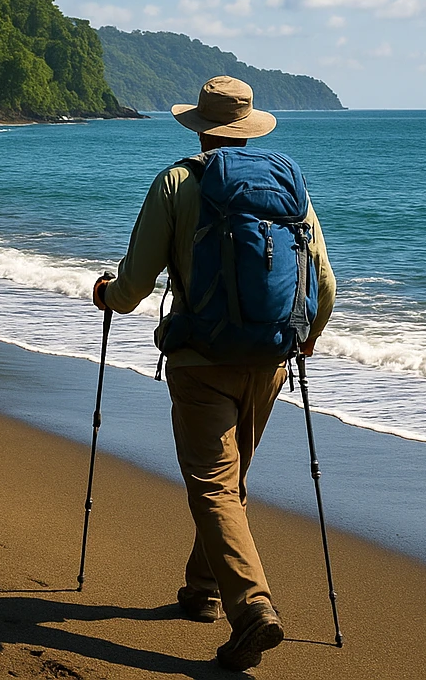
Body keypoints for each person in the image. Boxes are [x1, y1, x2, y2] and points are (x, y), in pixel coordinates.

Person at [92, 75, 335, 672]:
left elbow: (135, 283)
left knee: (214, 485)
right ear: (249, 129)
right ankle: (202, 589)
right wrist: (307, 339)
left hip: (201, 360)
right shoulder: (288, 185)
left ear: (200, 128)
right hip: (269, 359)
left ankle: (251, 608)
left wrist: (106, 294)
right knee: (229, 481)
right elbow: (324, 283)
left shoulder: (178, 182)